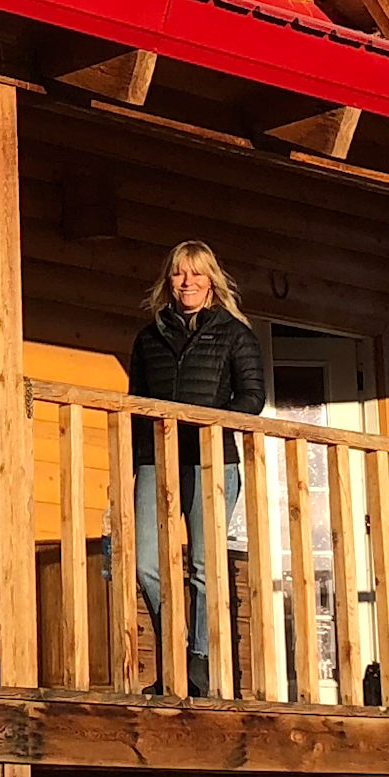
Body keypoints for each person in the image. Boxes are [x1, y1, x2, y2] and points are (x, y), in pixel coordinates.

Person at [132, 242, 264, 696]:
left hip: (211, 461)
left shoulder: (235, 334)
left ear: (212, 280)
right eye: (178, 275)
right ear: (168, 281)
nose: (187, 283)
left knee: (206, 567)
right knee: (147, 563)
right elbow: (135, 402)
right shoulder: (149, 338)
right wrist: (135, 462)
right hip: (157, 460)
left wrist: (208, 422)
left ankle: (199, 662)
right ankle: (174, 653)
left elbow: (252, 397)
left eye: (196, 274)